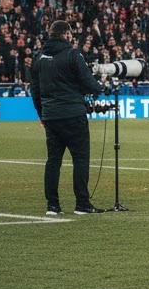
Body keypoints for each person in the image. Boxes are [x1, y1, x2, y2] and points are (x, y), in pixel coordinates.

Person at [29, 19, 106, 216]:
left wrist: (42, 115)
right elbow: (89, 83)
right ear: (67, 34)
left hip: (51, 116)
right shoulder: (73, 55)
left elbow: (35, 91)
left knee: (53, 161)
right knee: (80, 159)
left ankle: (52, 206)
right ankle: (82, 203)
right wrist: (101, 87)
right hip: (73, 115)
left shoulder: (39, 58)